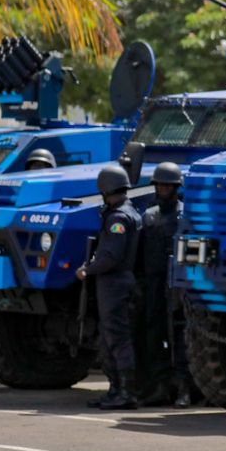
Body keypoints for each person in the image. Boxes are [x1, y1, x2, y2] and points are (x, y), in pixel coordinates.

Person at [78, 165, 142, 410]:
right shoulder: (129, 213)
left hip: (114, 284)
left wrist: (87, 270)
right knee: (110, 339)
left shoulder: (118, 219)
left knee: (116, 338)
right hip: (118, 284)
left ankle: (125, 392)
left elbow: (111, 257)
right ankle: (116, 390)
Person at [134, 162, 188, 408]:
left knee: (179, 335)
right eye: (161, 185)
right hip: (153, 284)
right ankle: (158, 387)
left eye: (168, 185)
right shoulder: (149, 216)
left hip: (177, 284)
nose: (164, 189)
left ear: (176, 187)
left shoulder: (185, 216)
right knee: (154, 336)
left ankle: (184, 388)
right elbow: (139, 254)